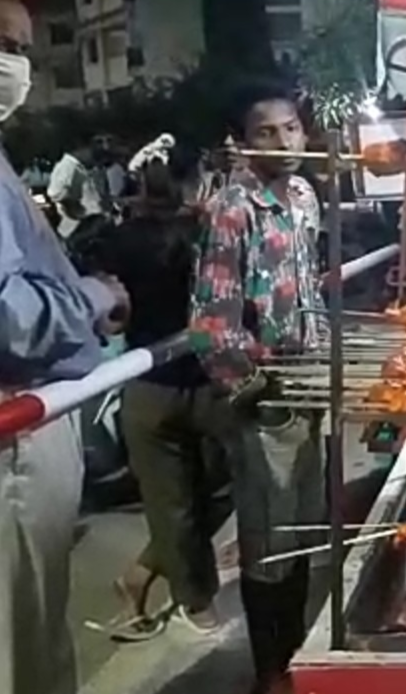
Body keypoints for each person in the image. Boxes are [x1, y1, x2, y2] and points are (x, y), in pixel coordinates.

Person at [0, 2, 131, 691]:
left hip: (30, 420)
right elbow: (8, 317)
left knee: (36, 623)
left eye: (20, 50)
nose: (13, 66)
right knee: (21, 646)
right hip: (13, 433)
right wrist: (92, 297)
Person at [189, 78, 325, 694]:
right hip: (265, 395)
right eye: (267, 131)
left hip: (309, 389)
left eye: (291, 127)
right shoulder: (231, 208)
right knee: (267, 541)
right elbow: (213, 319)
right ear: (245, 142)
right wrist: (251, 390)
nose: (284, 140)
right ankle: (269, 669)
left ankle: (294, 653)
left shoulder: (302, 196)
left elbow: (310, 287)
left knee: (298, 532)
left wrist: (320, 369)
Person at [98, 152, 232, 640]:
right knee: (211, 494)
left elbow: (110, 314)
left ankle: (141, 577)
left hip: (150, 385)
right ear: (194, 184)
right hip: (201, 382)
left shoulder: (117, 239)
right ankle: (192, 600)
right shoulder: (205, 234)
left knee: (175, 503)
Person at [48, 133, 113, 238]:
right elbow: (56, 193)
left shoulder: (88, 167)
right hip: (78, 232)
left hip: (96, 228)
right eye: (98, 142)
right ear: (82, 148)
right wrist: (79, 213)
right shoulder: (67, 166)